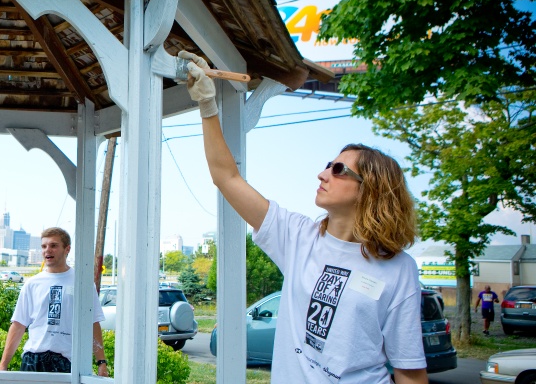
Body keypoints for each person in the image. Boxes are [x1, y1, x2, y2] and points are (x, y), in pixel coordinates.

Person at [179, 51, 428, 384]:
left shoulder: (399, 269)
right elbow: (227, 177)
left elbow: (410, 371)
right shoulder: (298, 237)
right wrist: (207, 105)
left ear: (371, 189)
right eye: (327, 165)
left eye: (338, 170)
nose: (322, 174)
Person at [0, 227, 109, 377]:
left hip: (69, 362)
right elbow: (18, 324)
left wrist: (101, 362)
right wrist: (3, 365)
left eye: (53, 245)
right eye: (44, 246)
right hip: (33, 360)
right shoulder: (32, 283)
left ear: (67, 249)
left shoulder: (83, 282)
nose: (47, 250)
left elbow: (92, 322)